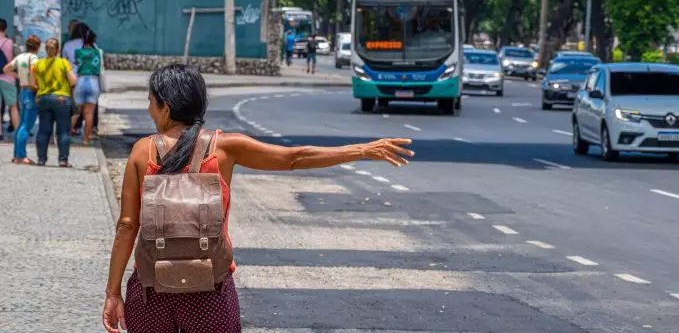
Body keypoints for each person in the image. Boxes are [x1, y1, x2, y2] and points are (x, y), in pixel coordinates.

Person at [102, 64, 413, 333]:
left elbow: (127, 226)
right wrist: (363, 150)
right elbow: (294, 158)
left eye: (150, 103)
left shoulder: (143, 151)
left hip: (151, 290)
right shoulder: (225, 147)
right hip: (211, 289)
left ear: (166, 108)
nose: (148, 109)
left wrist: (113, 292)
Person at [30, 38, 77, 167]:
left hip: (43, 99)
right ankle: (63, 160)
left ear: (46, 49)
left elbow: (32, 84)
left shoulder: (38, 64)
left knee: (44, 130)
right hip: (61, 99)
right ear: (58, 50)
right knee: (63, 131)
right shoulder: (63, 63)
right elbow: (73, 81)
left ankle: (41, 159)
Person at [4, 34, 41, 164]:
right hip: (31, 92)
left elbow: (6, 69)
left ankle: (17, 155)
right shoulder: (35, 59)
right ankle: (21, 156)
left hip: (22, 91)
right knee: (26, 126)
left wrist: (19, 76)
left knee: (21, 125)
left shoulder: (20, 57)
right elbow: (34, 76)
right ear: (38, 46)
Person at [72, 29, 101, 145]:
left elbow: (77, 63)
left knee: (75, 112)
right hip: (93, 81)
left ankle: (66, 135)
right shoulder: (97, 52)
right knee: (89, 113)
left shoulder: (78, 51)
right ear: (93, 40)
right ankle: (86, 139)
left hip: (81, 80)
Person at [0, 18, 18, 135]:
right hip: (8, 77)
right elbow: (16, 60)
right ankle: (18, 132)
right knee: (13, 106)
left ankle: (0, 133)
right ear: (5, 28)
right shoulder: (10, 43)